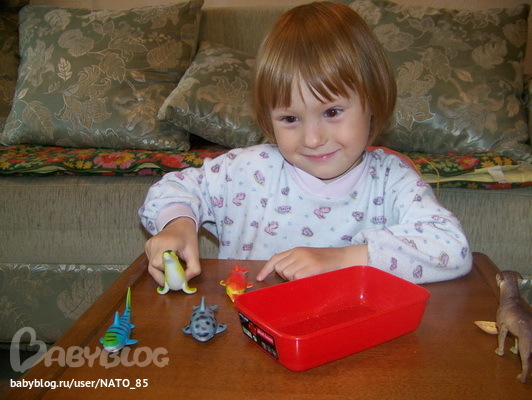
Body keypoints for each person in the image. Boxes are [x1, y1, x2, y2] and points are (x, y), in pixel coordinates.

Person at [139, 1, 472, 286]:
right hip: (247, 330)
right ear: (267, 119)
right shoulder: (247, 171)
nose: (313, 139)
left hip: (352, 334)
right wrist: (177, 225)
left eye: (332, 112)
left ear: (373, 101)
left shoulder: (392, 180)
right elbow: (175, 187)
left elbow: (452, 249)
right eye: (290, 118)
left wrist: (342, 258)